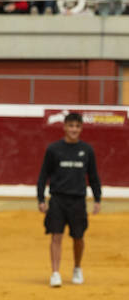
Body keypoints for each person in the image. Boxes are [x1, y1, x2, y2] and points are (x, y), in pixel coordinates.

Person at [37, 111, 101, 287]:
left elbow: (93, 176)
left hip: (78, 200)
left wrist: (97, 199)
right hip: (57, 199)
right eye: (71, 126)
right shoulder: (53, 149)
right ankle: (55, 273)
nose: (74, 129)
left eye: (77, 126)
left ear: (81, 129)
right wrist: (41, 199)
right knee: (56, 236)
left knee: (78, 237)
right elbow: (43, 175)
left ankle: (77, 268)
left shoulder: (87, 150)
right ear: (64, 127)